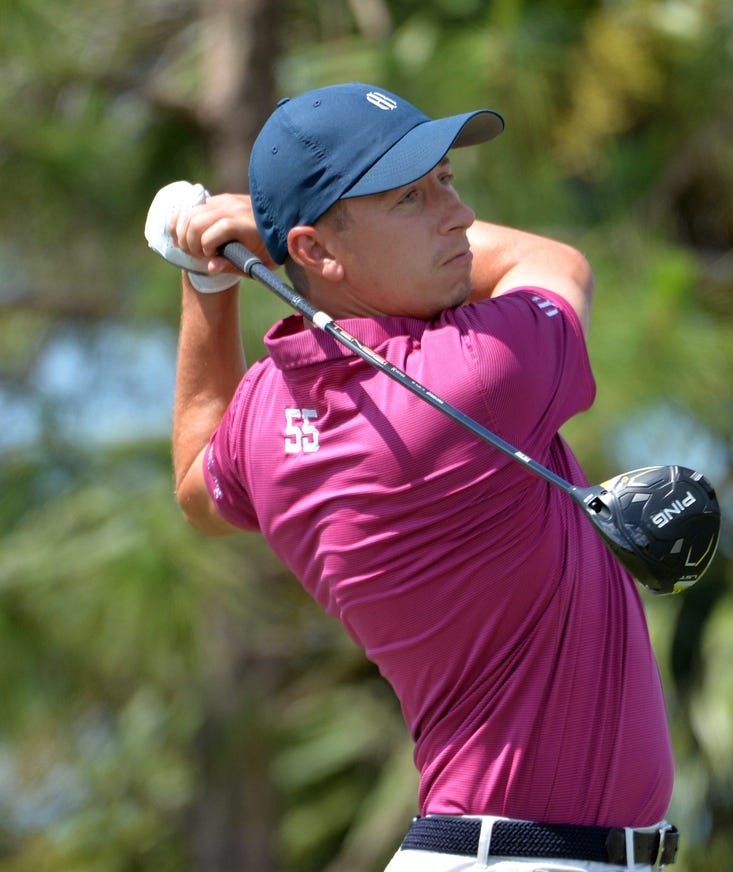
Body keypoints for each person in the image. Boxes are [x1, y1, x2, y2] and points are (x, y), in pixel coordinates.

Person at [149, 83, 680, 870]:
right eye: (409, 197)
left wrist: (209, 285)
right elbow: (552, 261)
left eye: (448, 179)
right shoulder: (471, 377)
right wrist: (259, 249)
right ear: (316, 250)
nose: (458, 214)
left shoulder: (266, 414)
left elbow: (197, 482)